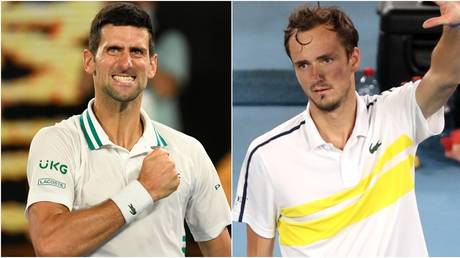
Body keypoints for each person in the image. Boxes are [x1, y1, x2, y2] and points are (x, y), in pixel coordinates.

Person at [233, 2, 459, 256]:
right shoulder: (267, 155)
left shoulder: (397, 113)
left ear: (354, 59)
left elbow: (445, 77)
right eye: (303, 65)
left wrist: (456, 27)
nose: (315, 76)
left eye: (326, 59)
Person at [26, 3, 231, 256]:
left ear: (152, 65)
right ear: (89, 61)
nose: (126, 62)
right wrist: (143, 191)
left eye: (137, 51)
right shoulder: (57, 142)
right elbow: (50, 245)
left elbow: (222, 251)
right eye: (113, 50)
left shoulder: (188, 151)